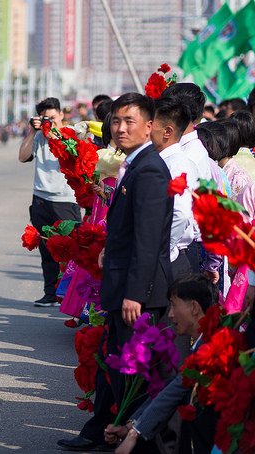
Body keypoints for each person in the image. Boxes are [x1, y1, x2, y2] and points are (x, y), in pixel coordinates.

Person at [58, 93, 174, 452]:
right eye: (117, 121)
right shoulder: (136, 164)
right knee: (117, 365)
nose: (120, 128)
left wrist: (135, 294)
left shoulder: (151, 169)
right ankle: (109, 431)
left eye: (130, 121)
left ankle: (131, 439)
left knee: (133, 372)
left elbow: (148, 239)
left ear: (150, 126)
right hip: (122, 284)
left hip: (136, 293)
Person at [104, 274, 219, 454]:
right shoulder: (202, 343)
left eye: (174, 305)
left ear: (194, 307)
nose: (170, 314)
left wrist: (134, 433)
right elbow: (169, 389)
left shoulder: (212, 347)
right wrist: (130, 427)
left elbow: (174, 391)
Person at [18, 98, 81, 307]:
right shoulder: (38, 137)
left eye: (53, 118)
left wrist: (54, 133)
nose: (49, 122)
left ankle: (72, 294)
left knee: (72, 249)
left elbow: (74, 156)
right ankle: (50, 292)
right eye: (45, 119)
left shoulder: (72, 134)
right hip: (41, 198)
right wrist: (33, 131)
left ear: (61, 115)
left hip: (65, 199)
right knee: (46, 249)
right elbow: (23, 156)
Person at [151, 97, 197, 278]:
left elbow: (180, 212)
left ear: (167, 131)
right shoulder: (163, 160)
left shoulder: (176, 164)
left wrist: (162, 251)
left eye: (149, 124)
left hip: (169, 257)